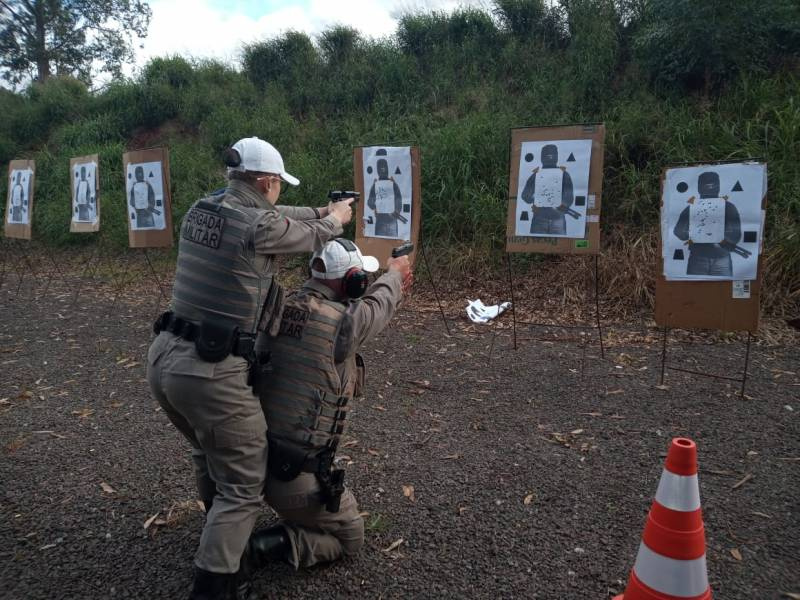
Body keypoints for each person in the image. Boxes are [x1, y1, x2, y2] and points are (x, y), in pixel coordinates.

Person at [146, 136, 355, 600]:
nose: (279, 192)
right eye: (277, 184)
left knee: (209, 453)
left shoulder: (203, 210)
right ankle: (217, 583)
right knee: (244, 482)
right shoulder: (257, 226)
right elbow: (295, 233)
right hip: (209, 371)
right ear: (265, 181)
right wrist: (335, 222)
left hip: (165, 360)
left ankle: (220, 537)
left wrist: (322, 210)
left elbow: (283, 219)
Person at [245, 238, 413, 573]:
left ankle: (236, 529)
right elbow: (377, 306)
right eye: (358, 277)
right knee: (351, 537)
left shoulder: (276, 309)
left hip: (248, 462)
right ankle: (263, 548)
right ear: (351, 281)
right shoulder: (341, 324)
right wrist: (395, 272)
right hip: (292, 476)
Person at [673, 171, 741, 277]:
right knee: (700, 290)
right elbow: (679, 232)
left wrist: (718, 238)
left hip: (718, 258)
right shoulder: (728, 207)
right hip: (702, 258)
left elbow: (736, 234)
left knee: (721, 291)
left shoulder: (728, 208)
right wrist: (696, 233)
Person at [520, 144, 574, 235]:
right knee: (558, 247)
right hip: (549, 219)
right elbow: (569, 198)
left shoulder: (536, 175)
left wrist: (541, 200)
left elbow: (526, 196)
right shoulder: (564, 174)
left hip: (550, 219)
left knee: (542, 247)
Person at [366, 150, 403, 237]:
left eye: (384, 167)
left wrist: (396, 211)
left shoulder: (392, 184)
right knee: (381, 246)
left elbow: (399, 199)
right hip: (381, 222)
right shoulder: (376, 185)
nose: (382, 170)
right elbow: (369, 202)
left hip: (391, 221)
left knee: (394, 247)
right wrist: (376, 207)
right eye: (380, 168)